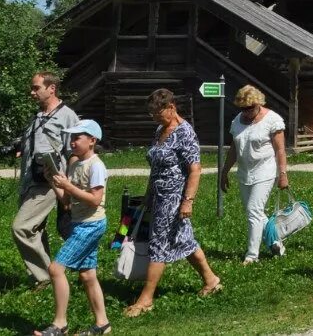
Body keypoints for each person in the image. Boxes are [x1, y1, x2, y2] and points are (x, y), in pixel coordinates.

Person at [124, 89, 221, 318]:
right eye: (152, 114)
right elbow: (155, 166)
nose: (155, 117)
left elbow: (195, 170)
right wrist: (148, 194)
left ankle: (146, 299)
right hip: (158, 196)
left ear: (172, 107)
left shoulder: (186, 133)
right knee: (184, 239)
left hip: (174, 199)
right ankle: (211, 280)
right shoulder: (160, 130)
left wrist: (187, 202)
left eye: (158, 112)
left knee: (159, 244)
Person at [31, 119, 110, 336]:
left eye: (77, 137)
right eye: (71, 138)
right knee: (87, 275)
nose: (72, 142)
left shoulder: (96, 166)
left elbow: (95, 200)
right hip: (79, 223)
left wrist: (68, 185)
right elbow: (67, 202)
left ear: (92, 140)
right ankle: (103, 324)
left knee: (56, 269)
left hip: (91, 225)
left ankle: (59, 325)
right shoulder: (75, 164)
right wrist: (54, 183)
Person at [12, 72, 80, 289]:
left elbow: (75, 152)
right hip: (30, 181)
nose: (32, 93)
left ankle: (46, 276)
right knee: (36, 230)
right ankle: (45, 282)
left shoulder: (67, 116)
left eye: (36, 88)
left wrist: (68, 186)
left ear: (52, 88)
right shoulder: (38, 117)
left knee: (21, 228)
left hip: (48, 184)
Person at [220, 84, 289, 264]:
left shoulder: (272, 120)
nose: (247, 112)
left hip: (265, 171)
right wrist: (224, 171)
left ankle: (252, 256)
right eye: (243, 108)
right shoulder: (237, 121)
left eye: (250, 108)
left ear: (259, 104)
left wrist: (283, 174)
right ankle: (275, 242)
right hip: (244, 173)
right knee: (255, 213)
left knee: (253, 211)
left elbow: (280, 150)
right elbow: (234, 148)